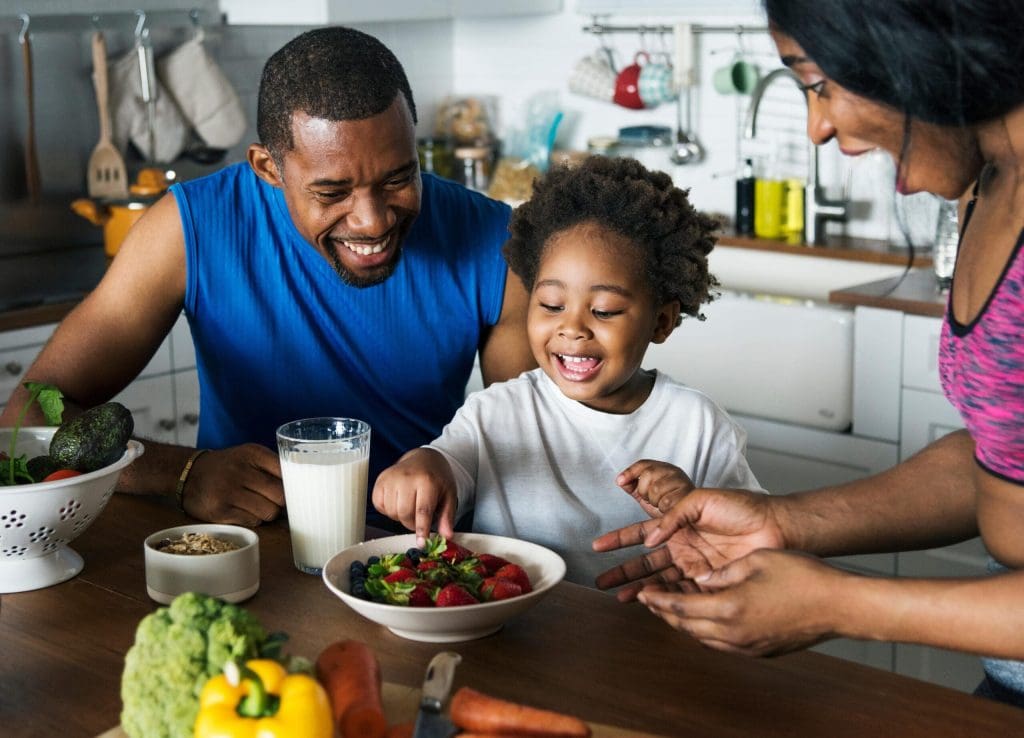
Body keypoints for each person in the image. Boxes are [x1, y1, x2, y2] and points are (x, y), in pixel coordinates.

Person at [592, 0, 1024, 707]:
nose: (819, 127)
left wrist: (843, 605)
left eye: (818, 83)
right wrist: (782, 524)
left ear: (908, 42)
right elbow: (1000, 457)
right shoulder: (991, 185)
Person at [0, 27, 533, 527]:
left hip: (419, 560)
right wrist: (181, 474)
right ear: (267, 168)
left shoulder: (496, 242)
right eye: (332, 192)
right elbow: (27, 414)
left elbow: (531, 445)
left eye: (398, 178)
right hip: (254, 550)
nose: (372, 220)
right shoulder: (191, 229)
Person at [371, 156, 763, 585]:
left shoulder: (700, 428)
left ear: (661, 322)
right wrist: (422, 466)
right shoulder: (497, 411)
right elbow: (448, 463)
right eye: (551, 305)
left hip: (649, 637)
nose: (572, 327)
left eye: (604, 311)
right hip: (516, 634)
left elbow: (755, 549)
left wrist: (693, 506)